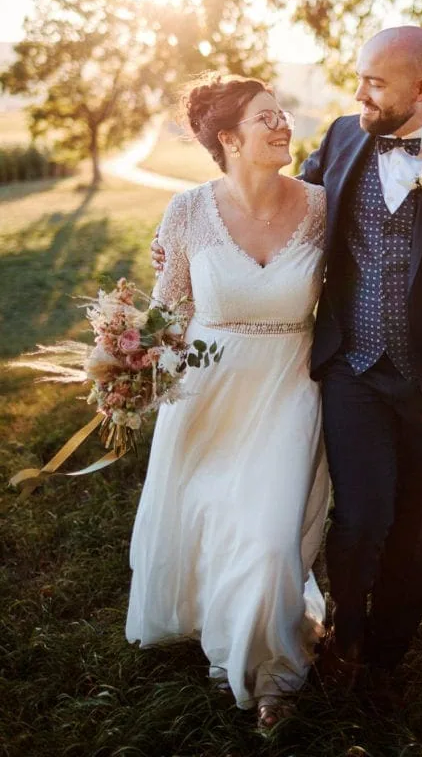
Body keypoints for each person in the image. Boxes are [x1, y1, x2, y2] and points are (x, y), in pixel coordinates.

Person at [152, 26, 422, 688]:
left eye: (374, 83)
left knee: (417, 532)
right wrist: (195, 231)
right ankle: (345, 629)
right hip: (351, 370)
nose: (357, 93)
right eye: (357, 76)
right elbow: (281, 208)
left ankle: (385, 656)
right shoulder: (340, 136)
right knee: (361, 516)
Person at [127, 76, 329, 733]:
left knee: (271, 540)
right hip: (208, 394)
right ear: (229, 138)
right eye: (266, 118)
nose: (282, 126)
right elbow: (171, 306)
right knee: (222, 528)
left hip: (290, 387)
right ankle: (231, 641)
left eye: (283, 114)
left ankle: (273, 678)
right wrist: (128, 364)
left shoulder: (324, 206)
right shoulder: (186, 212)